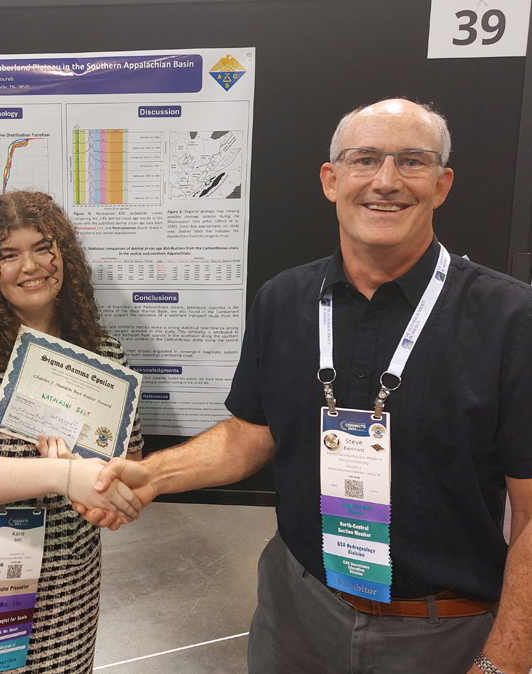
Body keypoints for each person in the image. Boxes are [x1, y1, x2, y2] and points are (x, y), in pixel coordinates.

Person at [75, 99, 532, 674]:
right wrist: (153, 476)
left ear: (441, 185)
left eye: (411, 162)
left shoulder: (511, 320)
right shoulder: (283, 300)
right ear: (331, 179)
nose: (386, 181)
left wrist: (507, 663)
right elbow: (250, 435)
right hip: (297, 611)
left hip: (441, 631)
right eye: (364, 159)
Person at [0, 191, 144, 674]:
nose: (30, 266)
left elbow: (129, 460)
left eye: (42, 247)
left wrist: (103, 488)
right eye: (8, 255)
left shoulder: (103, 354)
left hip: (67, 579)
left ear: (64, 255)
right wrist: (59, 476)